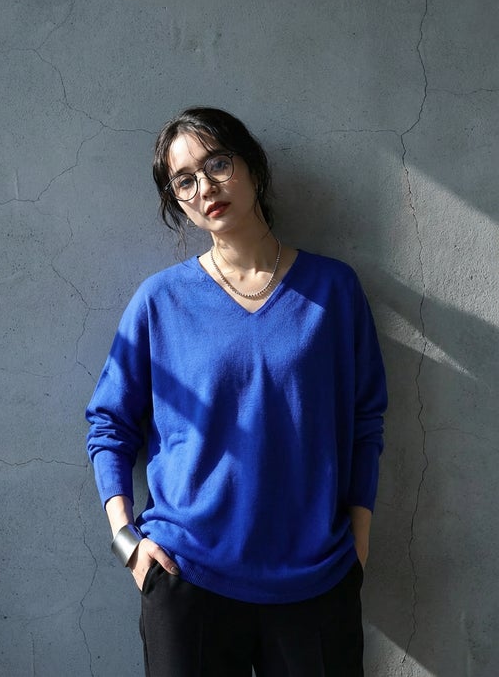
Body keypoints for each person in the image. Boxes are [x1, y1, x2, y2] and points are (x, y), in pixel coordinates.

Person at [85, 106, 387, 677]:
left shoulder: (333, 290)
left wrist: (359, 543)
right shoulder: (159, 301)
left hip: (315, 581)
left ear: (252, 165)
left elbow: (365, 418)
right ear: (176, 201)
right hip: (186, 578)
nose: (205, 187)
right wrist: (127, 542)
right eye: (184, 180)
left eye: (217, 164)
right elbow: (109, 424)